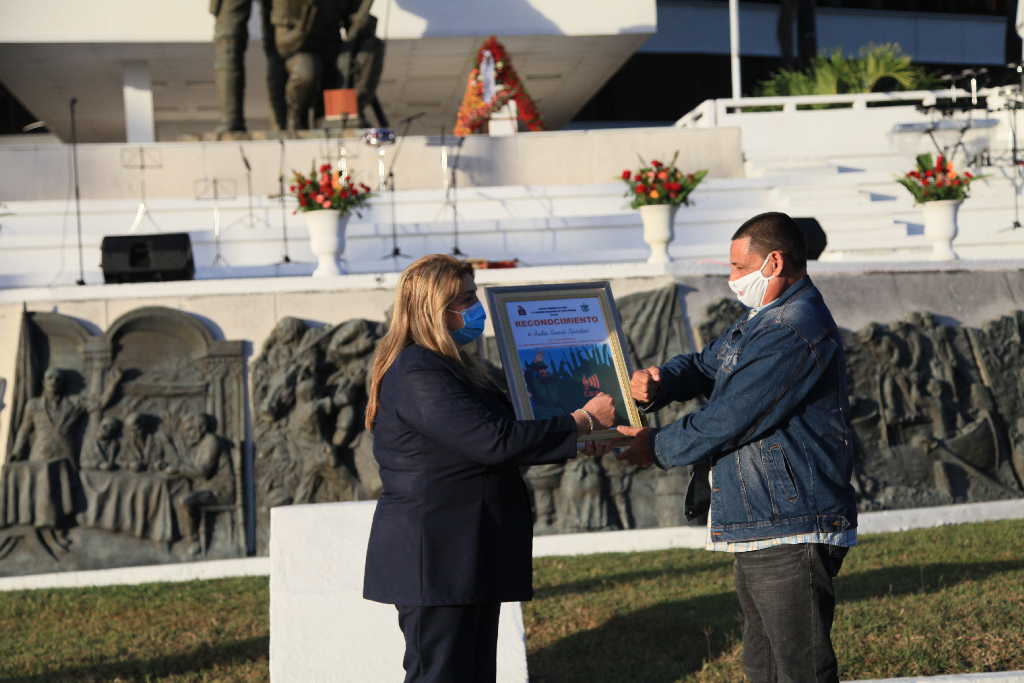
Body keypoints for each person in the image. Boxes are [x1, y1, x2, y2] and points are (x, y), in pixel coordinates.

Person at [616, 212, 858, 683]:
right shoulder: (762, 319)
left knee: (798, 668)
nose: (732, 279)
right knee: (762, 665)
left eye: (738, 267)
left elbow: (728, 419)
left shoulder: (792, 329)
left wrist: (656, 446)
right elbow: (708, 365)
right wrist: (661, 383)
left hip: (791, 522)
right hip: (765, 519)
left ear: (774, 261)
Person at [362, 254, 616, 683]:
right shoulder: (418, 370)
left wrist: (578, 441)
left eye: (474, 293)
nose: (476, 306)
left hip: (468, 554)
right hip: (437, 558)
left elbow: (511, 429)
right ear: (434, 309)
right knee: (439, 674)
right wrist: (581, 421)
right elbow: (492, 442)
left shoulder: (458, 366)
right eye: (465, 298)